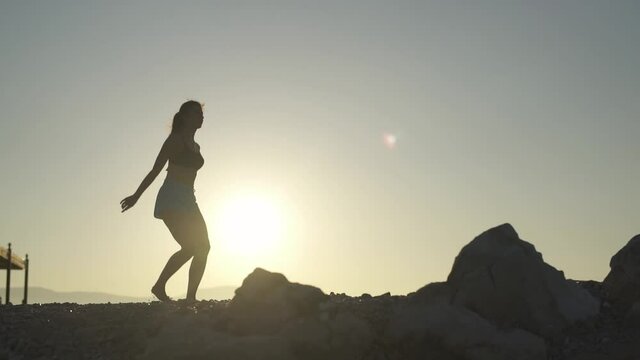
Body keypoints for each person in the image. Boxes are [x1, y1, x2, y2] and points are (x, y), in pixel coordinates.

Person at [120, 100, 210, 303]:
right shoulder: (175, 141)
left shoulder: (196, 146)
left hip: (189, 199)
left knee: (202, 246)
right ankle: (170, 291)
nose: (201, 116)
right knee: (191, 246)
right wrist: (136, 196)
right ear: (185, 116)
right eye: (197, 113)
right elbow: (155, 170)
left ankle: (186, 296)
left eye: (202, 113)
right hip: (172, 198)